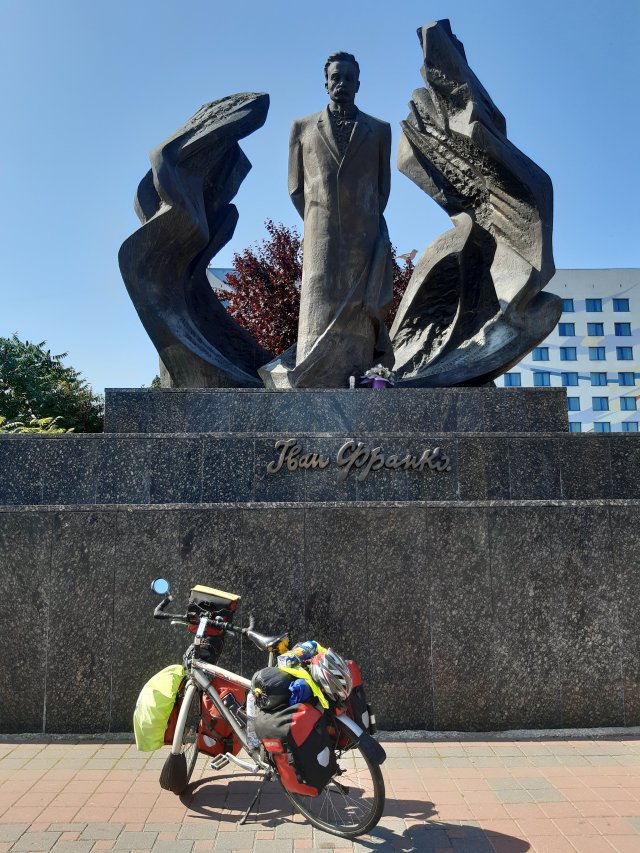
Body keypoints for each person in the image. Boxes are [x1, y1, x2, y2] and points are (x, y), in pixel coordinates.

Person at [261, 52, 394, 388]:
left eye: (349, 78)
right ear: (326, 83)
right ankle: (313, 377)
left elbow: (382, 190)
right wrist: (321, 221)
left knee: (360, 316)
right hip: (320, 237)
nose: (342, 83)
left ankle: (362, 377)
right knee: (318, 311)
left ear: (358, 84)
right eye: (336, 77)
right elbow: (296, 188)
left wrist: (360, 220)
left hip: (363, 240)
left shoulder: (380, 130)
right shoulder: (302, 128)